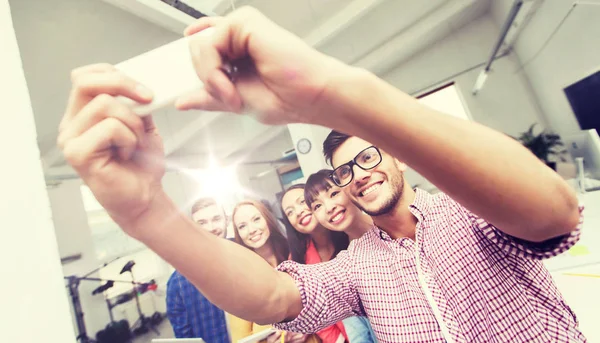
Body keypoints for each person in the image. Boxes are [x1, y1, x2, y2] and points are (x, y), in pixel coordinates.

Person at [57, 7, 585, 343]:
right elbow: (275, 299)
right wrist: (146, 212)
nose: (359, 175)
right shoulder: (358, 267)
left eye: (370, 157)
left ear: (397, 156)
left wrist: (337, 93)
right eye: (345, 171)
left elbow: (552, 215)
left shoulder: (469, 214)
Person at [304, 170, 377, 343]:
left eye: (334, 193)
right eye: (318, 206)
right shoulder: (344, 267)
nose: (329, 208)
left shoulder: (391, 226)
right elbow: (358, 335)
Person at [230, 200, 318, 343]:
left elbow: (322, 303)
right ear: (238, 234)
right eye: (242, 226)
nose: (251, 230)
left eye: (256, 219)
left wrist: (308, 329)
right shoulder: (238, 282)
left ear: (267, 219)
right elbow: (240, 339)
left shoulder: (296, 255)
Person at [280, 184, 349, 343]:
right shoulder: (296, 260)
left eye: (302, 202)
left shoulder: (349, 231)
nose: (298, 212)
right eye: (290, 212)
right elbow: (313, 312)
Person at [165, 198, 229, 342]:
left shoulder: (249, 256)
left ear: (227, 220)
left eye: (216, 219)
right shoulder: (178, 283)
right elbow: (184, 336)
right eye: (202, 223)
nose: (211, 227)